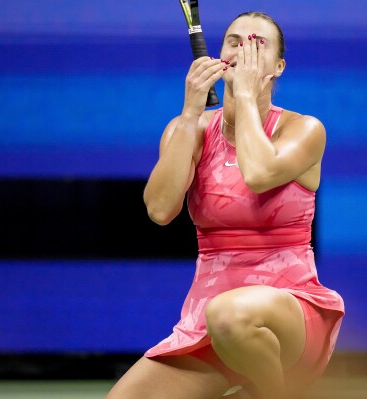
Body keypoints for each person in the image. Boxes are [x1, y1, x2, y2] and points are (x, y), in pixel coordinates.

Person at [105, 11, 344, 399]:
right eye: (234, 41)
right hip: (210, 325)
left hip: (292, 319)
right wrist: (189, 115)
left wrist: (246, 96)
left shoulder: (304, 129)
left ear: (279, 67)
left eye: (257, 43)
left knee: (228, 313)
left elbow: (260, 172)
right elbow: (160, 209)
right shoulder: (191, 130)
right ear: (218, 56)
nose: (243, 49)